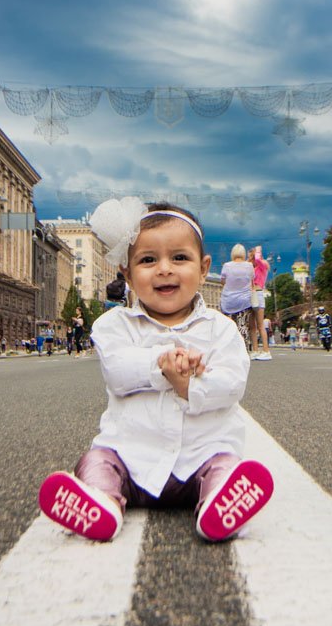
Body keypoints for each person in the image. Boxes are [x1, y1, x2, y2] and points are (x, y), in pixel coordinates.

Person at [38, 198, 273, 543]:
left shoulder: (221, 329)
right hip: (130, 459)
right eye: (148, 260)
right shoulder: (112, 325)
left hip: (199, 458)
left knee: (223, 463)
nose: (164, 269)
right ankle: (101, 503)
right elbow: (117, 372)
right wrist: (163, 364)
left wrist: (187, 386)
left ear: (204, 267)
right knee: (98, 460)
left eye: (179, 258)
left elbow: (232, 384)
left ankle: (220, 504)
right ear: (127, 273)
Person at [219, 244, 254, 349]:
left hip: (228, 301)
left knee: (228, 326)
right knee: (242, 325)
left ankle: (229, 348)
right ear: (243, 254)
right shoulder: (249, 266)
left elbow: (222, 281)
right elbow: (252, 280)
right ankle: (243, 349)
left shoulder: (227, 266)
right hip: (244, 301)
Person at [248, 246, 272, 361]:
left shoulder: (263, 265)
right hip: (251, 294)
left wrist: (258, 250)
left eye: (251, 256)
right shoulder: (252, 267)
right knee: (252, 326)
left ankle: (266, 350)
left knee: (260, 324)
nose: (251, 259)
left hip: (258, 293)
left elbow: (258, 260)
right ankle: (255, 350)